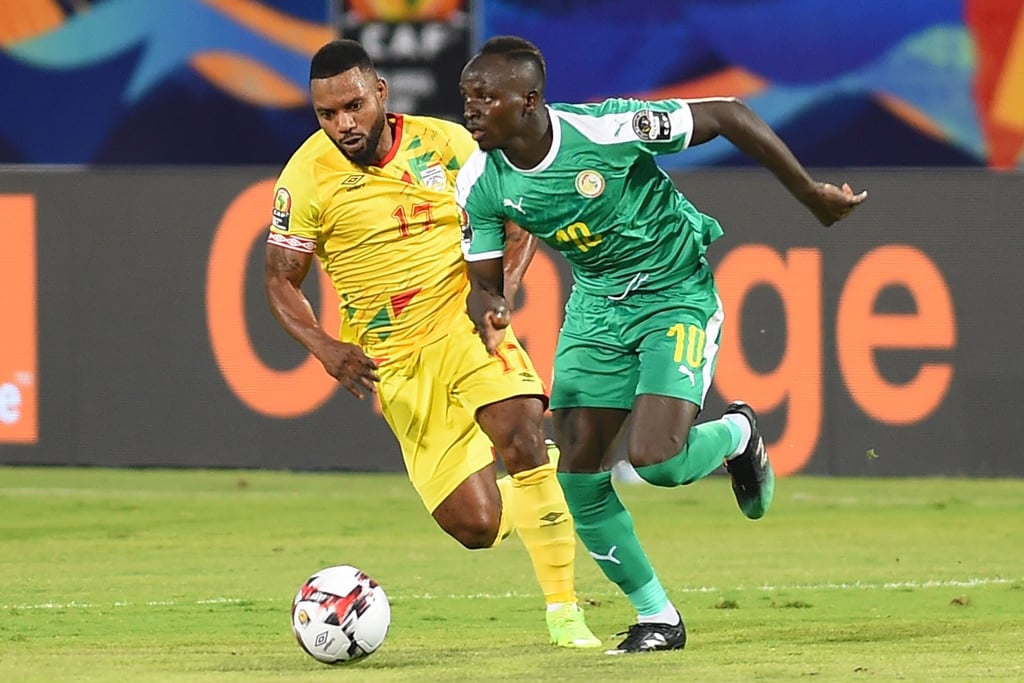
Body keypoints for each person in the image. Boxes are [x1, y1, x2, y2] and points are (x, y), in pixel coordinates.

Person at [455, 36, 867, 655]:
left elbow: (729, 112)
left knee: (659, 461)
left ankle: (738, 435)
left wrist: (810, 193)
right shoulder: (480, 180)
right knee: (579, 475)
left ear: (531, 100)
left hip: (675, 293)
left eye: (487, 97)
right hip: (595, 310)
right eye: (467, 98)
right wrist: (490, 307)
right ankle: (658, 618)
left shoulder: (609, 129)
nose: (472, 110)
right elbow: (482, 284)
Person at [263, 39, 600, 649]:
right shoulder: (306, 177)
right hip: (394, 362)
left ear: (381, 95)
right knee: (476, 526)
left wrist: (498, 294)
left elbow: (515, 210)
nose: (343, 124)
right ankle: (541, 489)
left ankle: (565, 613)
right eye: (326, 114)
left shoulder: (445, 144)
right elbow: (280, 278)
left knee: (521, 431)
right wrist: (324, 347)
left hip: (462, 322)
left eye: (353, 106)